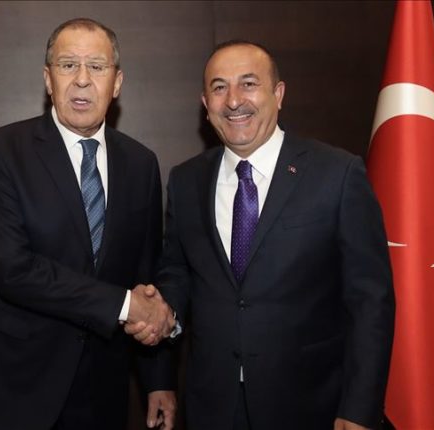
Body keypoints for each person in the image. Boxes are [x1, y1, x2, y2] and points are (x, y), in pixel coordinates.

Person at [129, 41, 395, 429]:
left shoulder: (337, 174)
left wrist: (359, 409)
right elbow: (179, 272)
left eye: (249, 84)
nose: (234, 100)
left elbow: (371, 301)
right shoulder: (186, 181)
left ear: (278, 94)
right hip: (212, 406)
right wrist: (162, 310)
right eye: (219, 88)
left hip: (311, 405)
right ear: (205, 103)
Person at [0, 18, 176, 430]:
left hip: (103, 386)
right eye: (68, 65)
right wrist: (124, 305)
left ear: (117, 82)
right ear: (47, 79)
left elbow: (146, 274)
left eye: (97, 66)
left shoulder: (141, 163)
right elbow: (13, 269)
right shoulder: (0, 151)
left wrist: (158, 380)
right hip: (17, 384)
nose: (82, 79)